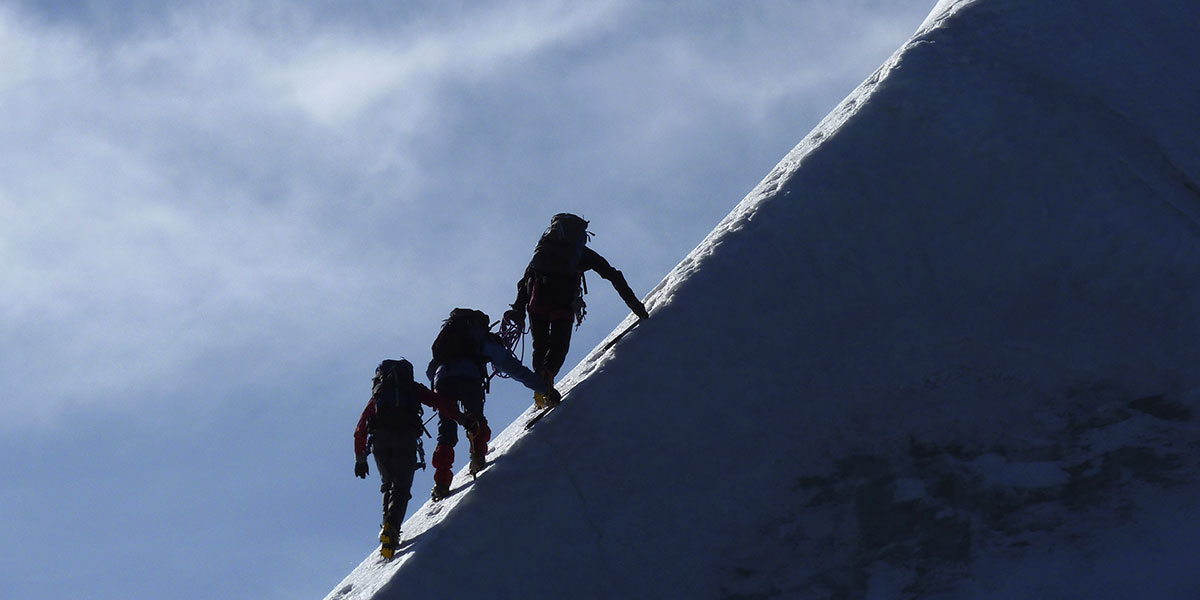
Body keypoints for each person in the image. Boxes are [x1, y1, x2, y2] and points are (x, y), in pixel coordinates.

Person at [503, 213, 649, 406]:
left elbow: (525, 283)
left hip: (537, 303)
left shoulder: (543, 250)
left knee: (540, 345)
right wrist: (636, 306)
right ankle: (547, 376)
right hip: (563, 303)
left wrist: (518, 310)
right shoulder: (580, 253)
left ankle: (541, 385)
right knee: (559, 346)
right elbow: (613, 275)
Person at [426, 308, 560, 500]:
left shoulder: (447, 343)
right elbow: (513, 367)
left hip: (442, 378)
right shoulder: (483, 340)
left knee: (445, 432)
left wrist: (436, 393)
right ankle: (478, 456)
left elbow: (430, 371)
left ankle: (441, 483)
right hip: (469, 376)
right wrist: (543, 388)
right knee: (476, 418)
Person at [353, 358, 473, 559]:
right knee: (401, 486)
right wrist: (462, 419)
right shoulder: (413, 388)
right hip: (404, 437)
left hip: (379, 441)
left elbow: (361, 427)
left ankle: (388, 530)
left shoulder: (378, 395)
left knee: (388, 485)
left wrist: (360, 459)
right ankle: (391, 528)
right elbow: (440, 402)